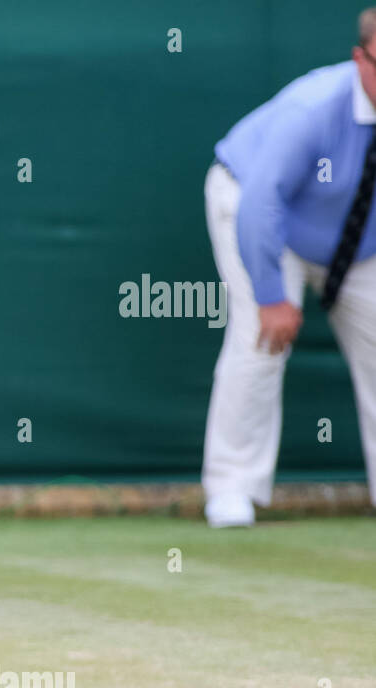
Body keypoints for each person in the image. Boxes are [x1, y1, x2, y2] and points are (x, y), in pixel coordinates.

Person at [202, 9, 376, 527]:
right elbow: (261, 202)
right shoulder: (313, 107)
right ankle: (231, 489)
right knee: (260, 340)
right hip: (258, 215)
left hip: (358, 239)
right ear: (360, 59)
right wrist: (272, 294)